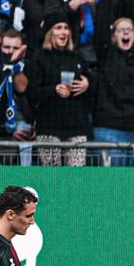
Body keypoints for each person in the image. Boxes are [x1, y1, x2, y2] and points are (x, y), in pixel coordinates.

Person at [26, 10, 92, 165]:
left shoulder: (77, 57)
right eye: (58, 27)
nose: (63, 32)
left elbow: (92, 84)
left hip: (76, 127)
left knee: (75, 179)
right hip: (49, 127)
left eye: (65, 27)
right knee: (53, 179)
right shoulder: (39, 57)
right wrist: (53, 90)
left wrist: (87, 84)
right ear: (50, 32)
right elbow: (32, 92)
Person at [93, 16, 134, 166]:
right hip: (109, 128)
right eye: (121, 30)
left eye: (130, 30)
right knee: (112, 183)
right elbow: (101, 25)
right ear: (113, 36)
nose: (126, 33)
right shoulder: (105, 55)